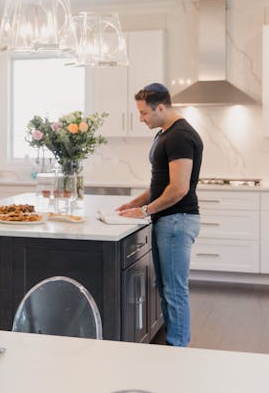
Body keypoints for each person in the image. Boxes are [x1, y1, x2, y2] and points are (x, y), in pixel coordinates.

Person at [116, 82, 203, 347]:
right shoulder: (164, 133)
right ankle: (172, 345)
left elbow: (178, 189)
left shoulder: (180, 136)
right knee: (166, 289)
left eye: (144, 113)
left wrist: (144, 211)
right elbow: (159, 184)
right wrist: (132, 205)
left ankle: (178, 348)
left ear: (161, 107)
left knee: (175, 291)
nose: (141, 118)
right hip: (167, 220)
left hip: (178, 221)